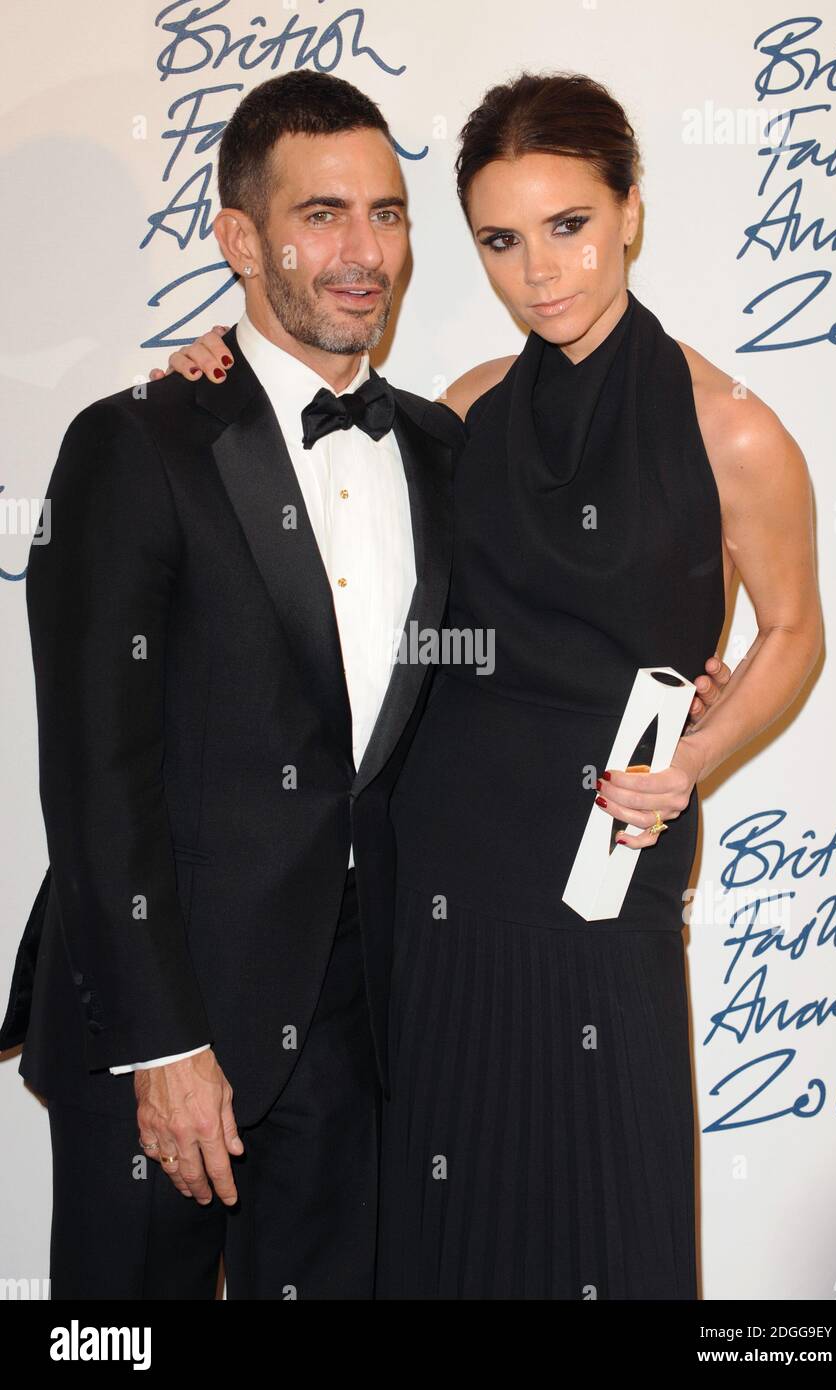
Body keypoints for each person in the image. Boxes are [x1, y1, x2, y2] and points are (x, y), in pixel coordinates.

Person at [151, 73, 780, 1300]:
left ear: (632, 212)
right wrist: (217, 368)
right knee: (445, 1228)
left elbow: (796, 632)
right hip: (439, 877)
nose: (541, 272)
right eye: (500, 239)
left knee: (610, 1202)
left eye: (570, 226)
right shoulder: (461, 414)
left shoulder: (734, 426)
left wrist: (695, 757)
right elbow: (354, 532)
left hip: (607, 869)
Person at [0, 69, 468, 1300]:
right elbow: (96, 769)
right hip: (169, 1015)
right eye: (321, 215)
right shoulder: (136, 441)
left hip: (363, 1031)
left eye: (387, 212)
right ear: (239, 239)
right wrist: (164, 1043)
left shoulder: (442, 448)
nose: (364, 251)